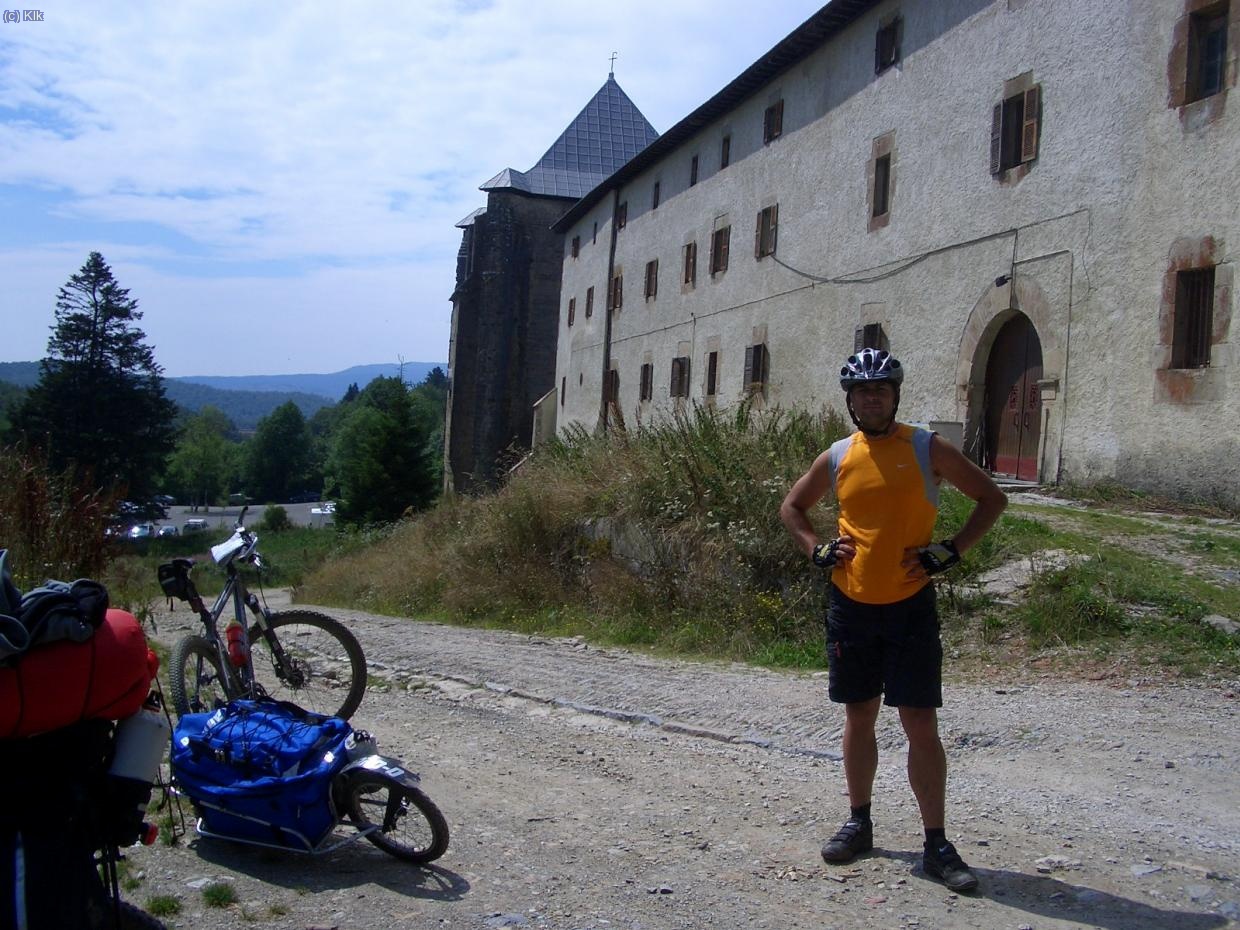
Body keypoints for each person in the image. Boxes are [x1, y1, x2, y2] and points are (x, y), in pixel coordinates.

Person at [779, 348, 1007, 892]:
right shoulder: (838, 455)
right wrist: (815, 549)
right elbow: (793, 508)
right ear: (851, 401)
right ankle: (859, 821)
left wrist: (951, 551)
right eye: (861, 391)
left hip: (909, 606)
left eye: (880, 389)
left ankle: (937, 843)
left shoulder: (927, 447)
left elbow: (991, 498)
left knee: (919, 722)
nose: (871, 397)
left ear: (895, 396)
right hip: (851, 605)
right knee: (859, 713)